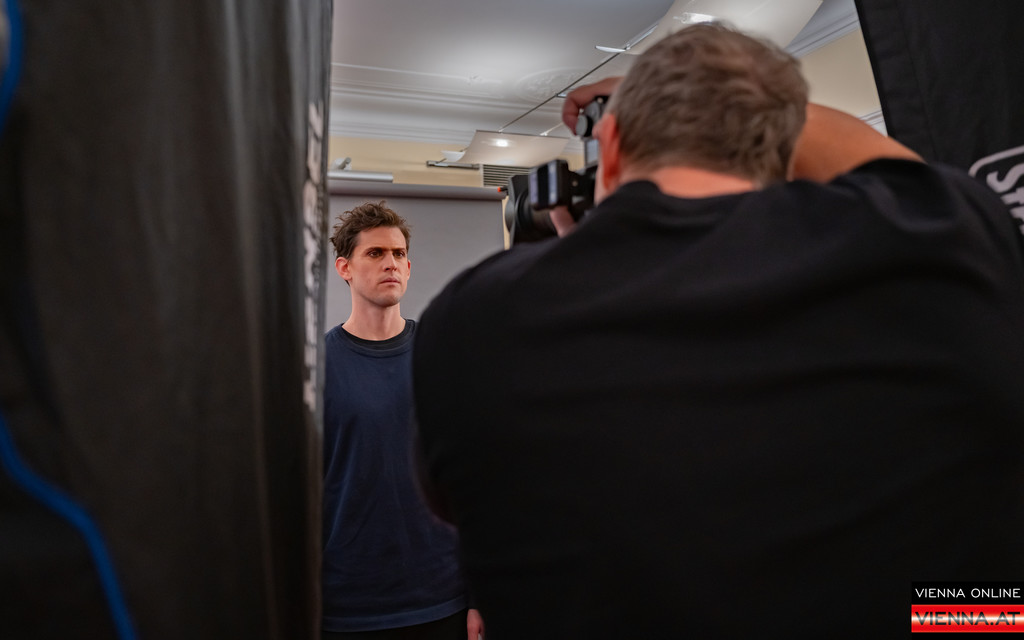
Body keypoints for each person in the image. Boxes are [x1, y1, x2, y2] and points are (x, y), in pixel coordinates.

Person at [411, 24, 1024, 638]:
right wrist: (724, 99)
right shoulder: (935, 239)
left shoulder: (476, 315)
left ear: (611, 144)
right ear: (781, 143)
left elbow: (466, 503)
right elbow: (902, 173)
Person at [322, 201, 483, 639]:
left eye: (398, 254)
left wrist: (479, 595)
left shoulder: (442, 356)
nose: (390, 263)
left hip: (442, 597)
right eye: (375, 253)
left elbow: (473, 479)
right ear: (344, 268)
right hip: (348, 604)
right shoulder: (317, 366)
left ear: (409, 268)